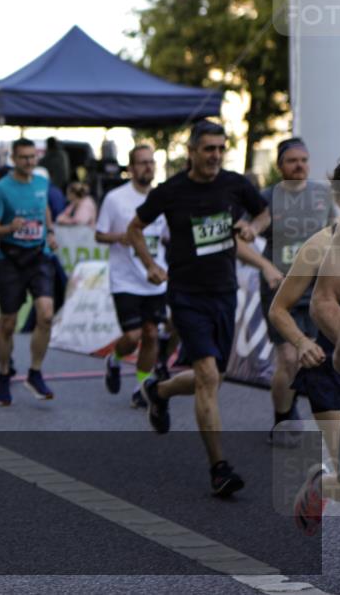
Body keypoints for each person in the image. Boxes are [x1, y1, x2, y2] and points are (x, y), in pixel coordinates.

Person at [128, 119, 270, 496]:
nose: (216, 156)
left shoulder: (236, 184)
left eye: (221, 148)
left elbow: (264, 212)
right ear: (191, 151)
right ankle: (219, 469)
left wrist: (253, 228)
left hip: (224, 293)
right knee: (207, 374)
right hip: (186, 294)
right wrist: (151, 266)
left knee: (213, 376)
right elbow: (134, 228)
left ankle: (158, 392)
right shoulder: (171, 190)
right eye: (209, 149)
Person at [271, 161, 340, 534]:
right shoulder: (319, 245)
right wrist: (300, 341)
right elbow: (278, 309)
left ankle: (324, 484)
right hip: (328, 372)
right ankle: (323, 484)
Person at [258, 137, 336, 442]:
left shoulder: (321, 194)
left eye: (303, 159)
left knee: (321, 360)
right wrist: (265, 267)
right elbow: (242, 236)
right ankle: (282, 418)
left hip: (317, 289)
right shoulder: (267, 197)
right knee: (289, 358)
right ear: (280, 166)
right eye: (292, 160)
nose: (300, 165)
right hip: (281, 287)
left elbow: (332, 230)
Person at [0, 138, 58, 406]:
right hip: (10, 259)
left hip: (39, 256)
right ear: (14, 159)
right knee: (8, 323)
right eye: (24, 157)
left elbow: (45, 210)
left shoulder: (41, 182)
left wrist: (50, 232)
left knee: (46, 314)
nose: (30, 161)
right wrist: (9, 228)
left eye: (33, 156)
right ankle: (4, 373)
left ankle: (35, 372)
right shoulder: (1, 188)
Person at [95, 144, 168, 408]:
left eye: (151, 162)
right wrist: (122, 237)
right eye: (142, 163)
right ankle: (113, 359)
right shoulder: (115, 199)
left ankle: (141, 387)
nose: (148, 167)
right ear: (131, 168)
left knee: (150, 334)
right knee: (133, 335)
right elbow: (99, 234)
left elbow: (167, 237)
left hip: (155, 279)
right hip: (125, 278)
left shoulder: (162, 198)